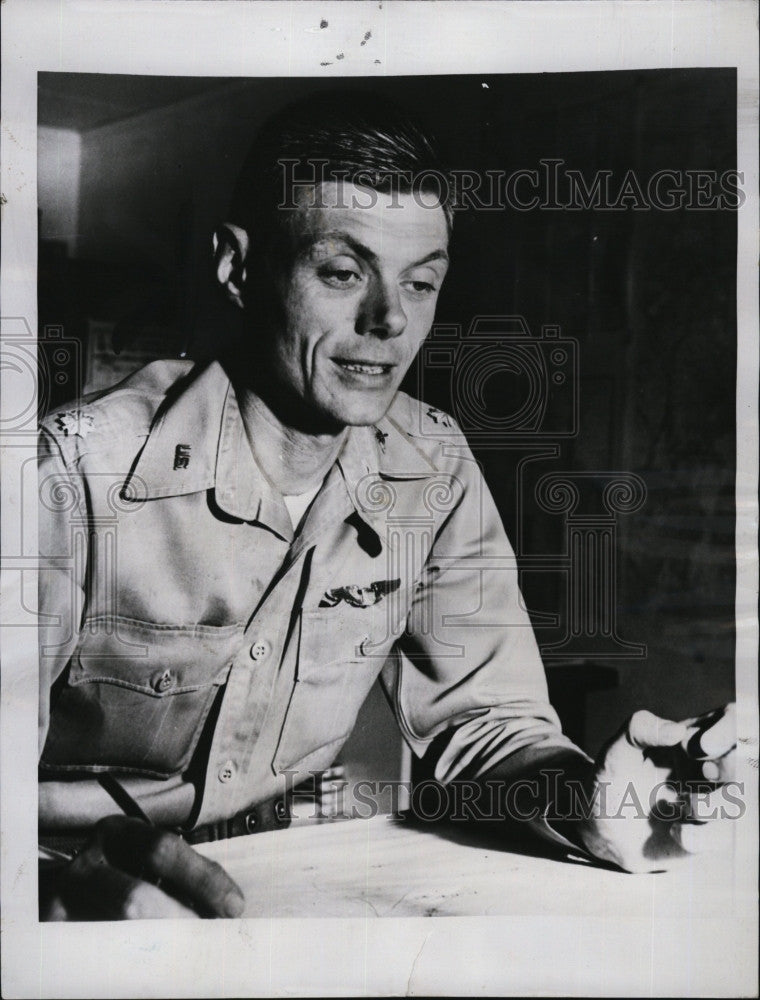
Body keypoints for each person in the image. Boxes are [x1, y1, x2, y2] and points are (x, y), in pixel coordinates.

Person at [37, 91, 736, 920]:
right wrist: (41, 893)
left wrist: (589, 800)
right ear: (238, 267)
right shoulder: (72, 475)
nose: (390, 320)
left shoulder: (432, 473)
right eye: (342, 272)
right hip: (72, 883)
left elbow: (488, 726)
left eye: (421, 282)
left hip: (285, 884)